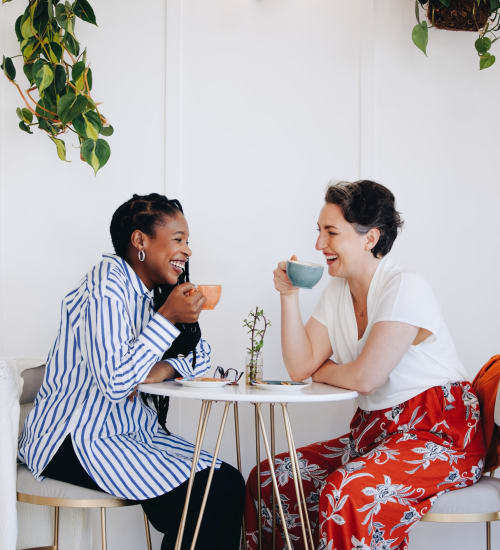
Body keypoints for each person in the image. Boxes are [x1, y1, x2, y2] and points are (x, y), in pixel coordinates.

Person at [245, 180, 485, 550]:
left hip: (439, 436)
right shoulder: (337, 293)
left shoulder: (404, 286)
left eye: (331, 232)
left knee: (348, 492)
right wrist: (289, 296)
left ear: (369, 238)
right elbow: (299, 367)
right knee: (273, 478)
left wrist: (323, 370)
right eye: (319, 231)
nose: (319, 245)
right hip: (375, 435)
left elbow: (366, 378)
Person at [18, 193, 245, 550]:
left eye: (188, 241)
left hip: (132, 432)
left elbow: (202, 357)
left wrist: (162, 368)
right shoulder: (106, 285)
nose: (188, 251)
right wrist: (167, 318)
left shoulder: (154, 293)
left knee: (228, 482)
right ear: (140, 241)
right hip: (76, 438)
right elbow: (116, 382)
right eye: (178, 240)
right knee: (206, 500)